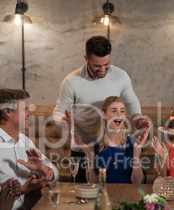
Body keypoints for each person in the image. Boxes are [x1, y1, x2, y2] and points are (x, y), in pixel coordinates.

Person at [53, 36, 150, 182]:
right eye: (97, 66)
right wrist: (62, 122)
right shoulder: (71, 81)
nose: (103, 69)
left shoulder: (121, 76)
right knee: (83, 196)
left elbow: (131, 101)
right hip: (85, 147)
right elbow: (58, 112)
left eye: (107, 64)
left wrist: (137, 119)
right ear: (86, 59)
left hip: (114, 146)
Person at [74, 96, 150, 184]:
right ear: (104, 115)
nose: (119, 114)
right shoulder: (94, 145)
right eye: (114, 111)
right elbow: (92, 182)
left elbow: (137, 182)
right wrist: (88, 155)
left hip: (128, 195)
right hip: (104, 195)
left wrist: (136, 151)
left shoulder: (133, 143)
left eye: (122, 111)